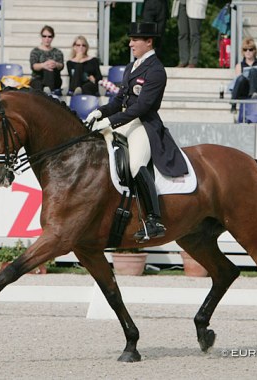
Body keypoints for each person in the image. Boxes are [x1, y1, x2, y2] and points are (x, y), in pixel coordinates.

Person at [86, 22, 188, 243]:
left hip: (143, 124)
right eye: (131, 39)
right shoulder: (132, 66)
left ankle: (154, 219)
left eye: (135, 39)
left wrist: (110, 122)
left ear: (148, 41)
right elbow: (120, 100)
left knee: (135, 165)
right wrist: (100, 113)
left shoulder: (156, 70)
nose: (131, 43)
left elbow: (142, 107)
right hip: (125, 120)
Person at [228, 37, 257, 113]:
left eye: (250, 49)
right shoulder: (239, 65)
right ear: (243, 52)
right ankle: (233, 105)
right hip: (245, 90)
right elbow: (239, 82)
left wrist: (256, 75)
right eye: (245, 50)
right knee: (241, 78)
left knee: (253, 70)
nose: (248, 52)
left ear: (254, 51)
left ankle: (253, 93)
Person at [171, 0, 207, 68]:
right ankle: (183, 61)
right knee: (182, 34)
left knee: (194, 34)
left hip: (195, 4)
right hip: (181, 4)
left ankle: (193, 61)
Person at [29, 25, 64, 95]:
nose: (47, 39)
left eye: (49, 36)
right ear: (41, 37)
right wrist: (43, 65)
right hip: (38, 79)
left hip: (54, 78)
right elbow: (33, 66)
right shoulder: (35, 51)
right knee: (37, 83)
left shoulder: (57, 52)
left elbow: (61, 65)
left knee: (50, 67)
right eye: (44, 36)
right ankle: (47, 91)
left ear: (52, 37)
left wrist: (55, 64)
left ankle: (48, 90)